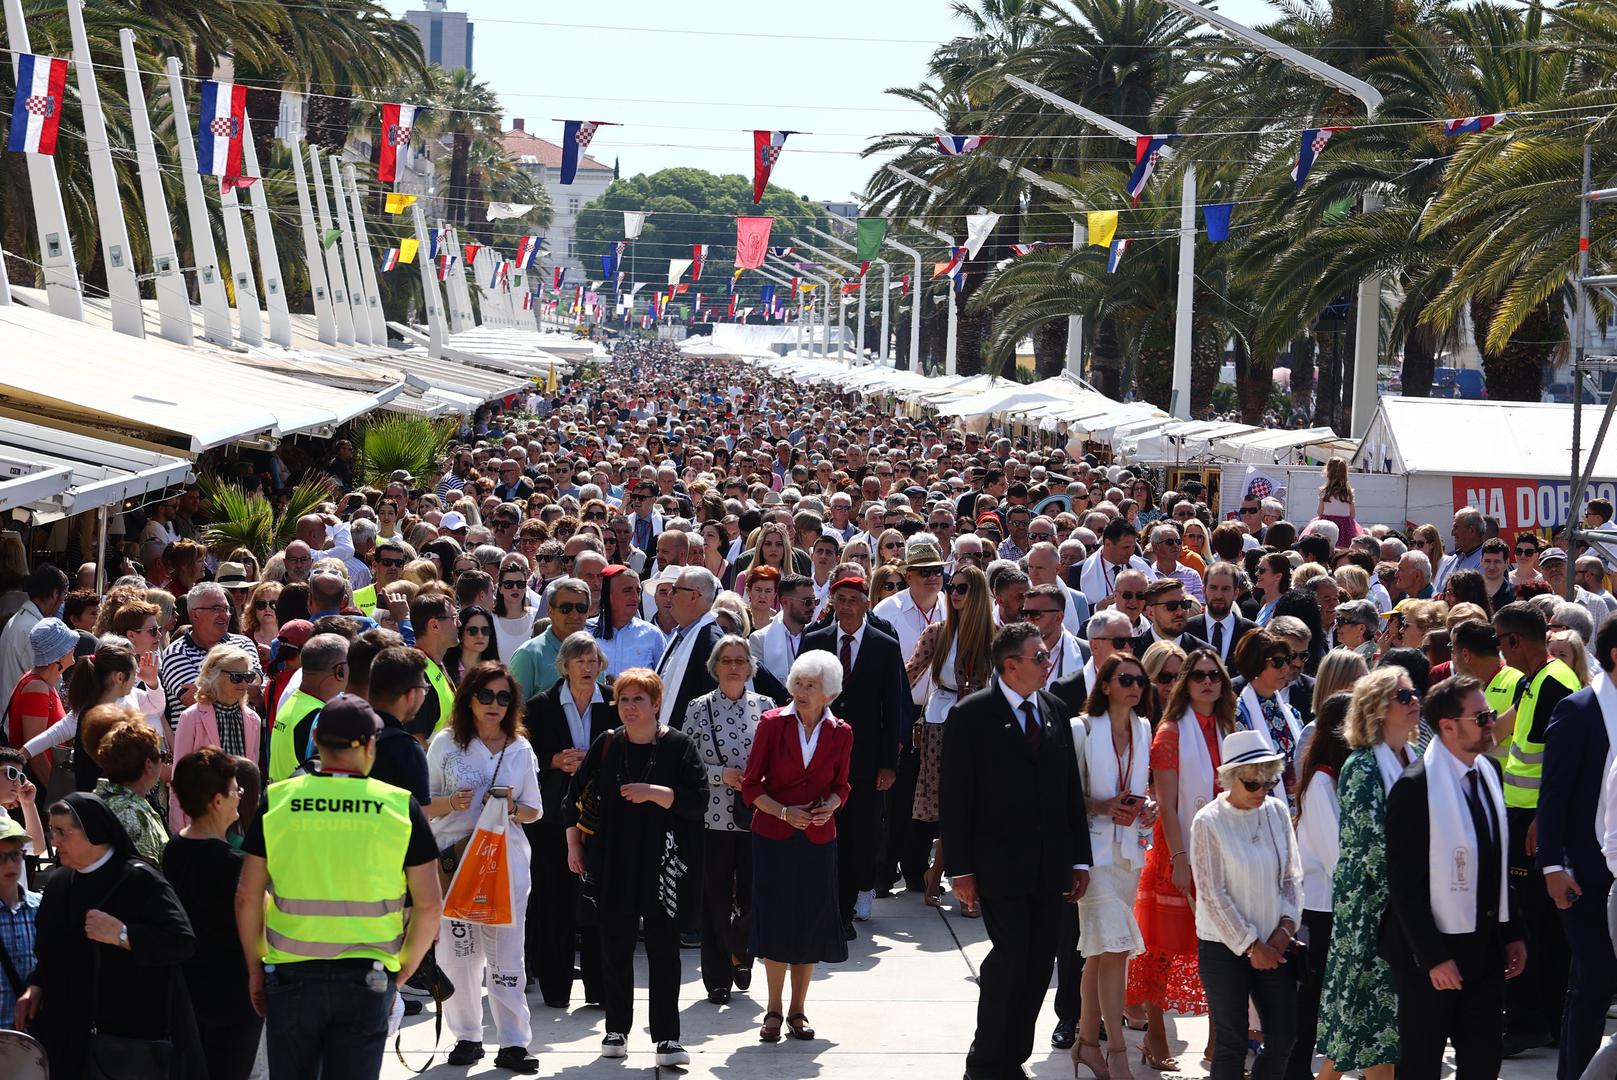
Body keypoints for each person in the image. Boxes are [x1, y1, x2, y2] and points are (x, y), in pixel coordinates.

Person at [236, 691, 443, 1080]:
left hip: (291, 975)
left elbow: (247, 896)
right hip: (367, 977)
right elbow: (431, 906)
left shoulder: (278, 799)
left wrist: (255, 967)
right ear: (369, 745)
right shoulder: (399, 806)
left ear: (316, 741)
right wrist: (401, 973)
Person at [942, 622, 1092, 1080]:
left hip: (1050, 867)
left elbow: (1069, 789)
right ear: (1012, 665)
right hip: (998, 867)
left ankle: (1011, 1058)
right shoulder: (972, 715)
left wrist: (1079, 859)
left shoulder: (1053, 708)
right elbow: (955, 799)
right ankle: (986, 1062)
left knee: (1038, 961)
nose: (1049, 664)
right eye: (1040, 657)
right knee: (1011, 958)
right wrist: (961, 871)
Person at [1381, 675, 1526, 1080]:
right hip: (1430, 955)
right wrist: (1434, 957)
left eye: (1490, 714)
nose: (1490, 723)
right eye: (1480, 717)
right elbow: (1404, 884)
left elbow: (1496, 862)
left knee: (1483, 1063)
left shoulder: (1490, 773)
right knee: (1421, 1066)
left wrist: (1512, 931)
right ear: (1447, 726)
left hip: (1484, 949)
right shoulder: (1414, 787)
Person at [564, 669, 705, 1067]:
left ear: (656, 703)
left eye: (638, 700)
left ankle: (667, 1038)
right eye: (623, 700)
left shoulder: (678, 746)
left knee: (664, 950)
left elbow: (697, 801)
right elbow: (575, 799)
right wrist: (574, 845)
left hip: (663, 863)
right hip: (613, 859)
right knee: (615, 948)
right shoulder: (608, 744)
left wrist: (654, 794)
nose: (629, 707)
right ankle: (616, 1029)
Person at [16, 793, 197, 1078]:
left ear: (94, 831)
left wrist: (123, 935)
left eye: (62, 832)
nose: (54, 841)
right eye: (53, 831)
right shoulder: (59, 883)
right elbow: (50, 951)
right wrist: (36, 986)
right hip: (69, 1036)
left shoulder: (140, 879)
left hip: (127, 1041)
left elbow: (181, 941)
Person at [427, 661, 543, 1073]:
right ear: (469, 699)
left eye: (503, 697)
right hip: (455, 863)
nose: (495, 704)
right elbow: (421, 806)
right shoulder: (445, 744)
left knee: (507, 958)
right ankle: (467, 1037)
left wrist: (511, 806)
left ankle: (513, 1042)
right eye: (486, 695)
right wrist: (451, 803)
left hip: (506, 866)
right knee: (459, 955)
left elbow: (535, 811)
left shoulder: (520, 748)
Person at [741, 650, 854, 1042]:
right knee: (775, 920)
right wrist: (784, 813)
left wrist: (830, 807)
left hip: (818, 840)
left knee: (809, 921)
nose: (802, 691)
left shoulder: (842, 732)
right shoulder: (772, 724)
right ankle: (772, 1010)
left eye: (812, 686)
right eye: (799, 684)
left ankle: (798, 1011)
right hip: (773, 837)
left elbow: (842, 786)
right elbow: (751, 785)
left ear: (829, 693)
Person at [1315, 666, 1420, 1080]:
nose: (1415, 703)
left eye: (1414, 695)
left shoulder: (1414, 757)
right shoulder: (1361, 767)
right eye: (1405, 697)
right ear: (1377, 709)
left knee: (1377, 1029)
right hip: (1371, 916)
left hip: (1405, 909)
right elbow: (1371, 847)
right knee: (1370, 1026)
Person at [1128, 648, 1230, 1068]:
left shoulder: (1227, 728)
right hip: (1178, 849)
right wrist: (1182, 857)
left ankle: (1217, 1043)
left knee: (1221, 948)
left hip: (1224, 851)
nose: (1207, 682)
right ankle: (1154, 1036)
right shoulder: (1170, 732)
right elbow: (1167, 804)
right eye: (1199, 675)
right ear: (1187, 682)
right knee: (1164, 949)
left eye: (1215, 675)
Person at [1191, 728, 1304, 1080]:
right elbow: (1212, 894)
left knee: (1285, 1035)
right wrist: (1251, 945)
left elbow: (1292, 877)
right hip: (1223, 947)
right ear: (1229, 779)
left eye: (1268, 782)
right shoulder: (1207, 821)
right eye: (1251, 783)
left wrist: (1284, 931)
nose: (1261, 791)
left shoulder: (1276, 811)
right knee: (1231, 1043)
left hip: (1274, 942)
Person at [1494, 601, 1580, 1055]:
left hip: (1533, 822)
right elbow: (1504, 735)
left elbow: (1560, 765)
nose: (1499, 654)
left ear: (1513, 641)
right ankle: (1538, 1018)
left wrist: (1542, 823)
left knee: (1534, 925)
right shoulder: (1534, 681)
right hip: (1524, 815)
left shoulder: (1554, 683)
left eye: (1500, 642)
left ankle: (1536, 1021)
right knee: (1531, 922)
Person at [1533, 617, 1617, 1080]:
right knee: (1594, 981)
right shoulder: (1579, 710)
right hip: (1584, 873)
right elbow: (1555, 794)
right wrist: (1552, 865)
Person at [800, 573, 906, 934]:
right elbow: (797, 696)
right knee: (817, 833)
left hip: (863, 761)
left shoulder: (884, 645)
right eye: (840, 599)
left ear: (865, 604)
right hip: (816, 757)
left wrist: (889, 763)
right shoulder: (814, 641)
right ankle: (818, 908)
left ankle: (842, 914)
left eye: (853, 599)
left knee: (856, 837)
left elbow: (893, 707)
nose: (846, 606)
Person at [1070, 653, 1155, 1080]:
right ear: (1105, 685)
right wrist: (1100, 806)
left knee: (1101, 954)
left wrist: (1148, 809)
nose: (1135, 686)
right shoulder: (1081, 728)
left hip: (1129, 854)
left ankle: (1086, 1044)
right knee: (1117, 947)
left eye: (1140, 680)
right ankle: (1117, 1050)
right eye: (1125, 679)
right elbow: (1063, 795)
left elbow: (1142, 788)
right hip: (1092, 854)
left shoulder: (1144, 728)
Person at [164, 747, 260, 1080]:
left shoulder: (173, 849)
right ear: (218, 801)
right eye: (236, 789)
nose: (242, 795)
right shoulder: (234, 863)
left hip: (185, 995)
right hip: (233, 997)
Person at [686, 635, 769, 1005]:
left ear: (750, 666)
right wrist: (723, 774)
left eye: (740, 660)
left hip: (757, 817)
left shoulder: (766, 707)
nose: (734, 666)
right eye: (727, 660)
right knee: (715, 899)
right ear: (715, 666)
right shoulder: (698, 708)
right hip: (713, 818)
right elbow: (686, 766)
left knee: (754, 898)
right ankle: (717, 978)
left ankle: (742, 952)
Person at [1287, 691, 1352, 1080]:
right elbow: (1336, 856)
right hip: (1320, 906)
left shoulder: (1336, 778)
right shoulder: (1322, 784)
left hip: (1331, 904)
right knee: (1309, 998)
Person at [170, 644, 263, 830]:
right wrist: (180, 826)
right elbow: (179, 777)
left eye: (248, 677)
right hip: (202, 818)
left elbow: (252, 773)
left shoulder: (253, 719)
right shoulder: (191, 717)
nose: (244, 684)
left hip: (240, 818)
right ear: (215, 676)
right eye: (236, 677)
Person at [80, 703, 168, 864]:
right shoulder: (132, 812)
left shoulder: (97, 799)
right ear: (148, 764)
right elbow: (143, 875)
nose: (164, 761)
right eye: (162, 755)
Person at [266, 632, 349, 782]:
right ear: (340, 671)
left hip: (283, 800)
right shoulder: (319, 717)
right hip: (295, 801)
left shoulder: (293, 701)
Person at [1233, 630, 1306, 799]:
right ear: (1255, 664)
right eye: (1277, 662)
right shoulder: (1238, 715)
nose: (1286, 668)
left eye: (1286, 661)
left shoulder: (1291, 713)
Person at [5, 618, 76, 772]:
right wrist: (54, 792)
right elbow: (35, 753)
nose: (74, 647)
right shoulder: (37, 688)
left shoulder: (42, 683)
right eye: (69, 645)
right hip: (38, 788)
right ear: (60, 655)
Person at [592, 564, 666, 680]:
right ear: (608, 595)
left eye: (637, 591)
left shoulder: (653, 635)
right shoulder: (586, 632)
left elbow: (664, 681)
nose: (635, 597)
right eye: (627, 591)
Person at [0, 814, 38, 1035]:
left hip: (34, 1038)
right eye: (0, 857)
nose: (10, 864)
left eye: (15, 855)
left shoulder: (40, 908)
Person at [1186, 562, 1259, 666]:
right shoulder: (1187, 631)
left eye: (1225, 589)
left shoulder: (1252, 633)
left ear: (1235, 593)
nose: (1219, 595)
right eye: (1213, 588)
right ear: (1204, 591)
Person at [442, 605, 499, 684]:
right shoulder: (444, 670)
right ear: (460, 634)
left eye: (485, 630)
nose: (480, 636)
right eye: (473, 630)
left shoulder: (496, 673)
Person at [1316, 459, 1361, 541]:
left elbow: (1319, 512)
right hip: (1345, 527)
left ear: (1328, 471)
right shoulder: (1349, 492)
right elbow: (1352, 514)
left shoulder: (1324, 491)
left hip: (1326, 525)